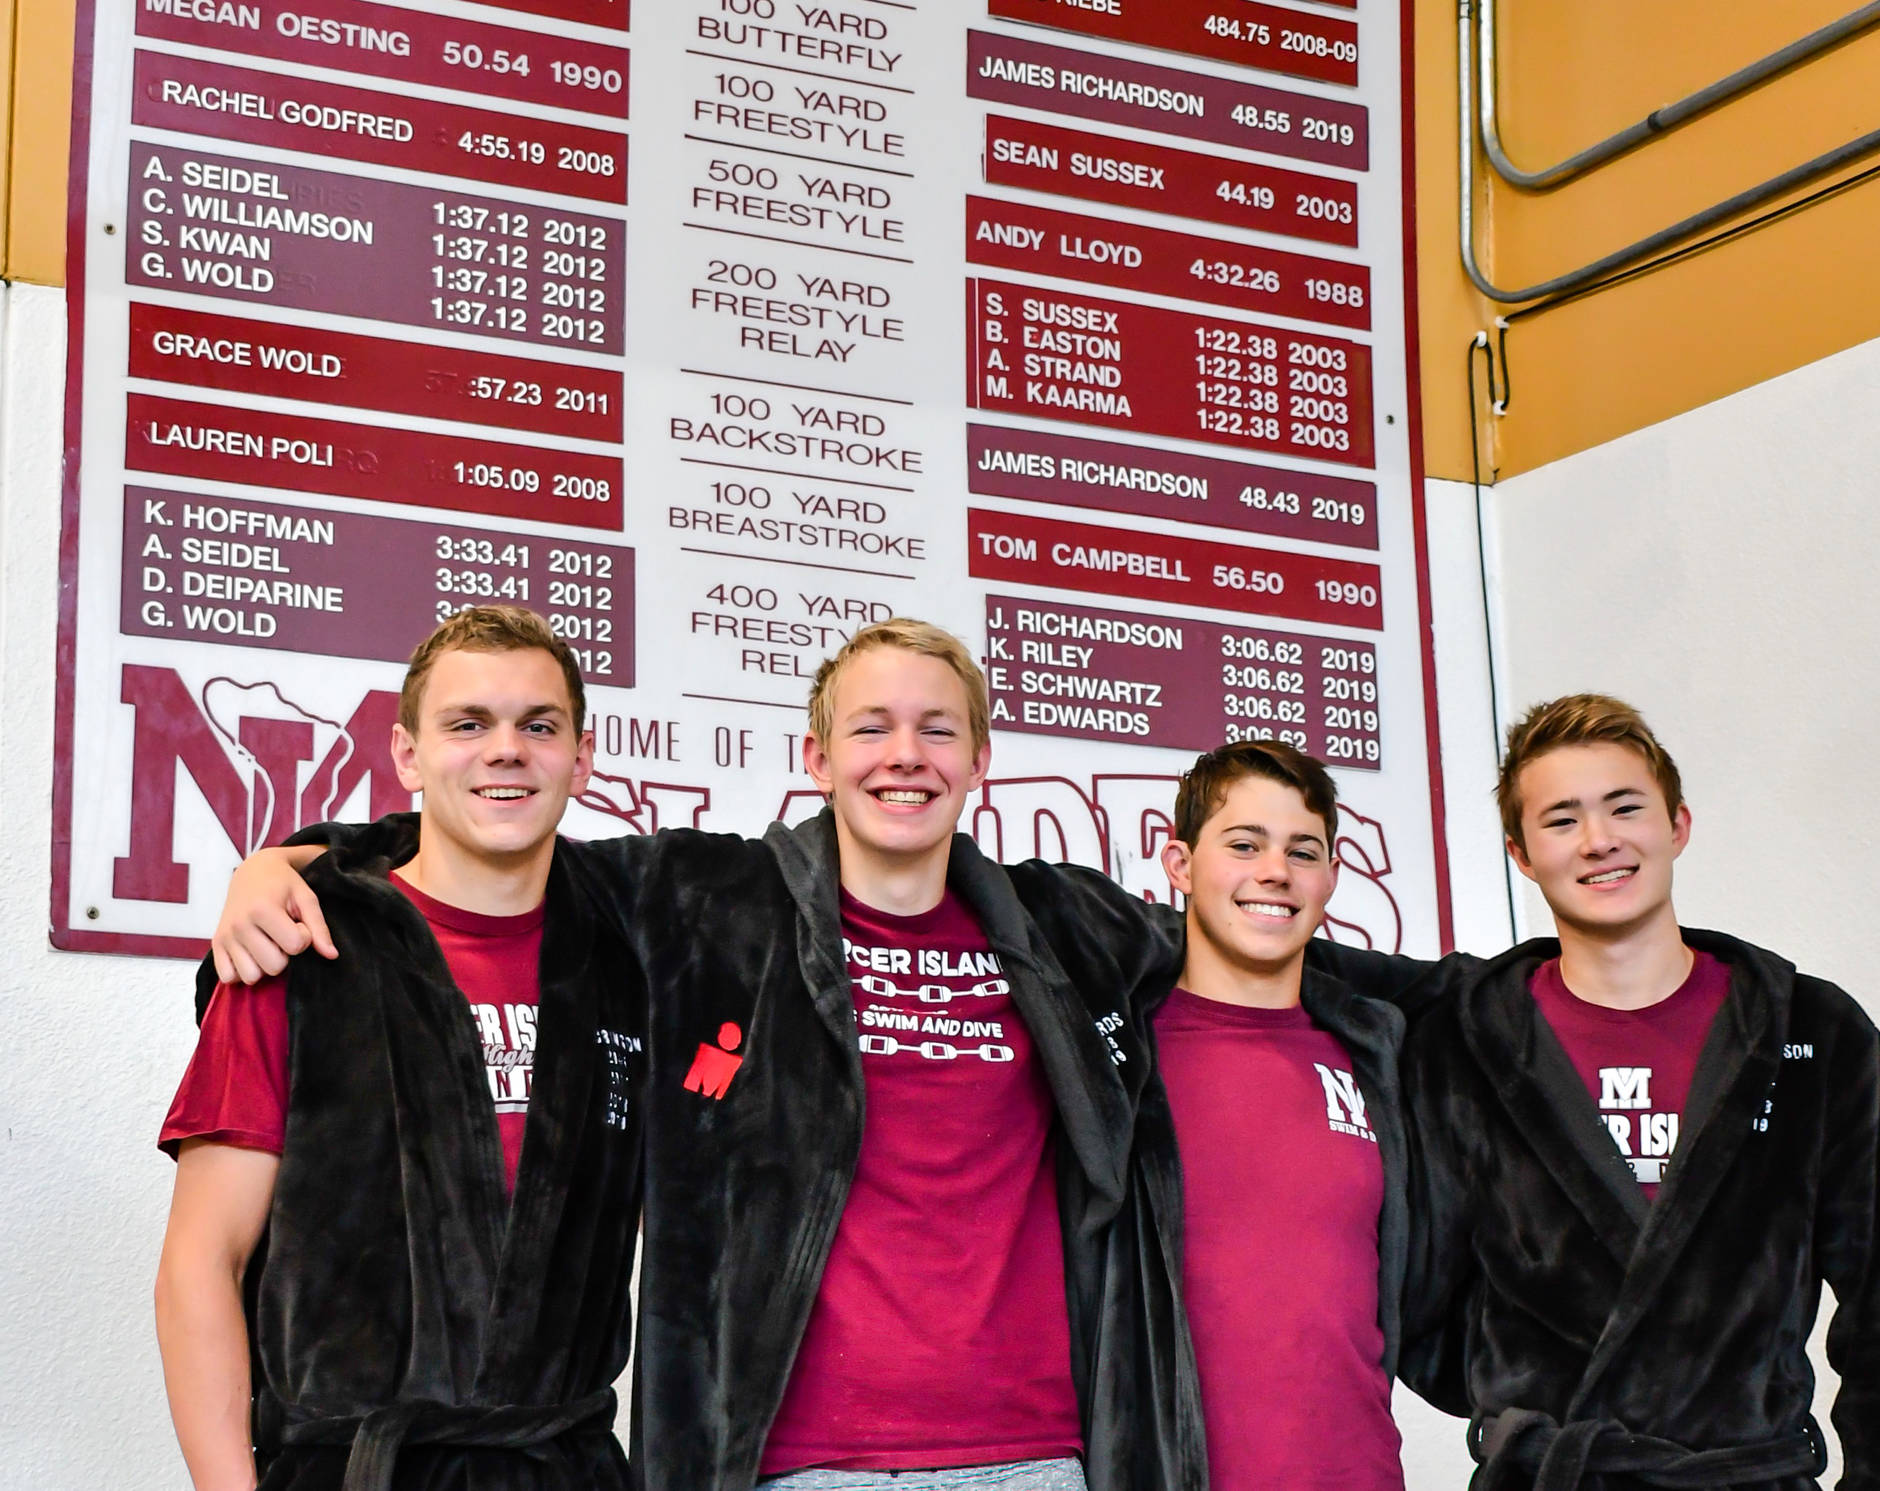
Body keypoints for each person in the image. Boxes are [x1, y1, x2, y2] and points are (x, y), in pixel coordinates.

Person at [208, 619, 1184, 1491]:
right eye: (870, 727)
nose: (904, 756)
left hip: (1035, 1457)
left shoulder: (1065, 928)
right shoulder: (713, 902)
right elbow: (493, 838)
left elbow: (1240, 947)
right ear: (816, 756)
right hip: (791, 1463)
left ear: (979, 760)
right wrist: (294, 863)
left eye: (937, 730)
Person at [1403, 694, 1880, 1491]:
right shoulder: (1464, 1046)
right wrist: (1531, 1391)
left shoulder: (1814, 1032)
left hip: (1747, 1476)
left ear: (1678, 825)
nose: (1599, 840)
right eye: (1561, 819)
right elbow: (1420, 1299)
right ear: (1521, 854)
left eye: (1624, 806)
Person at [154, 604, 645, 1491]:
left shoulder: (633, 960)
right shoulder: (297, 947)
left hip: (565, 1468)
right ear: (408, 754)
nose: (506, 750)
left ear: (582, 755)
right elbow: (201, 1259)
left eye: (539, 724)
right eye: (467, 724)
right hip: (351, 1470)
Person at [1098, 740, 1423, 1491]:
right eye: (1244, 844)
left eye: (1302, 850)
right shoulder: (1118, 1058)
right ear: (1179, 864)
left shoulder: (1374, 1054)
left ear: (1333, 876)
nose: (1275, 871)